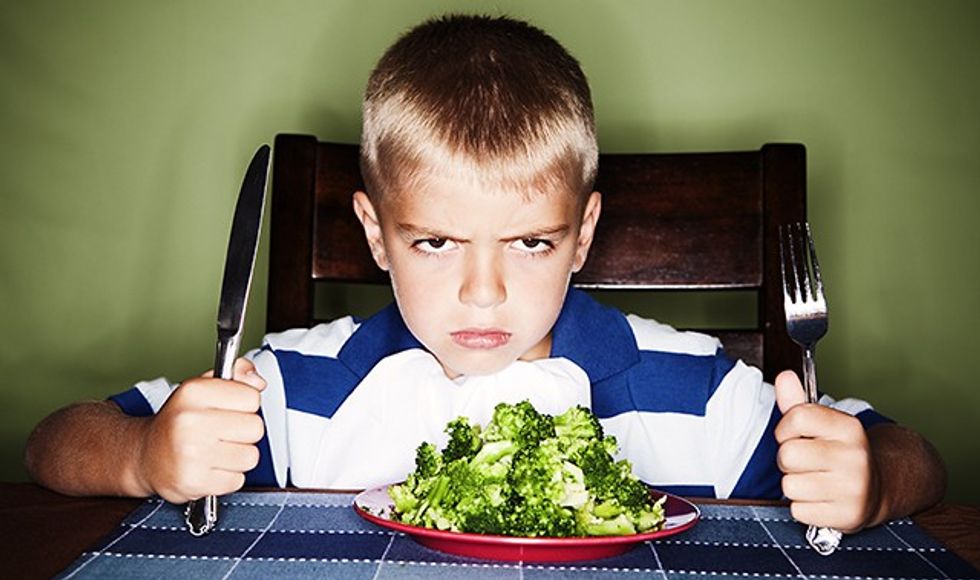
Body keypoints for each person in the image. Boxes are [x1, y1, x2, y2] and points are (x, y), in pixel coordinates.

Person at [25, 14, 944, 535]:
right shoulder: (289, 387)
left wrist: (871, 481)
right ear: (375, 235)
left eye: (531, 244)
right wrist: (145, 457)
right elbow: (57, 443)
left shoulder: (696, 393)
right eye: (434, 244)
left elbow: (911, 458)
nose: (483, 293)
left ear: (583, 235)